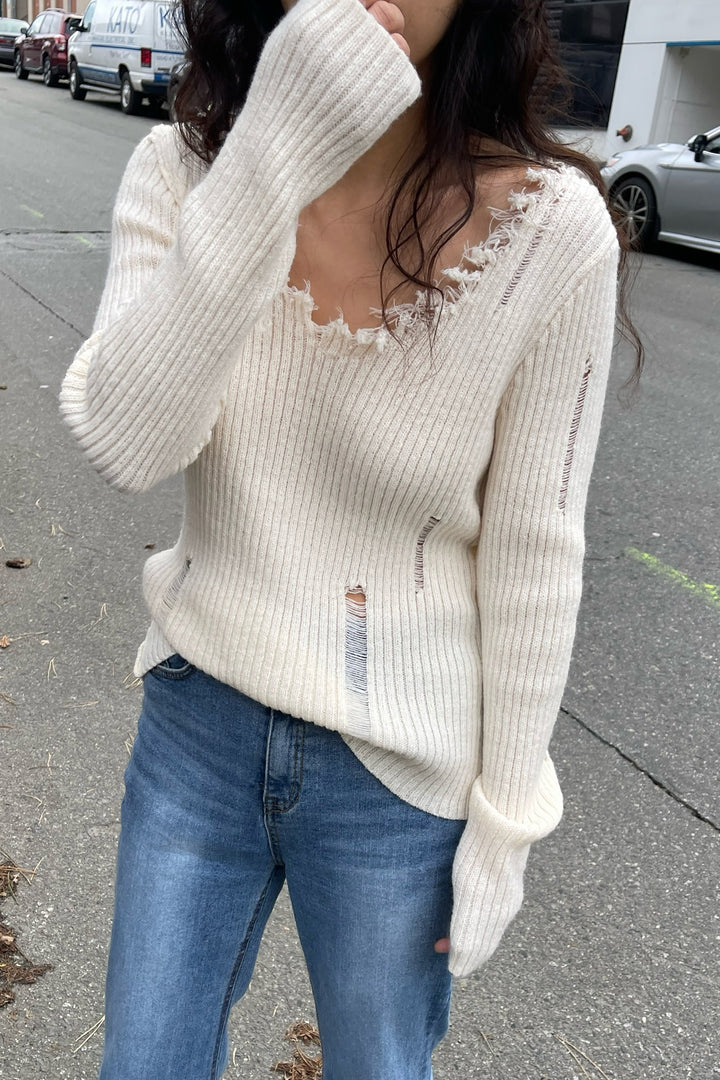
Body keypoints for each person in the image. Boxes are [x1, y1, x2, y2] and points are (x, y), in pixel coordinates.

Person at [58, 0, 642, 1076]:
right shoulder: (183, 173)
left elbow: (536, 549)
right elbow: (128, 442)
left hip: (402, 771)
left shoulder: (550, 230)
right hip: (199, 721)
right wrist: (270, 154)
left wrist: (507, 822)